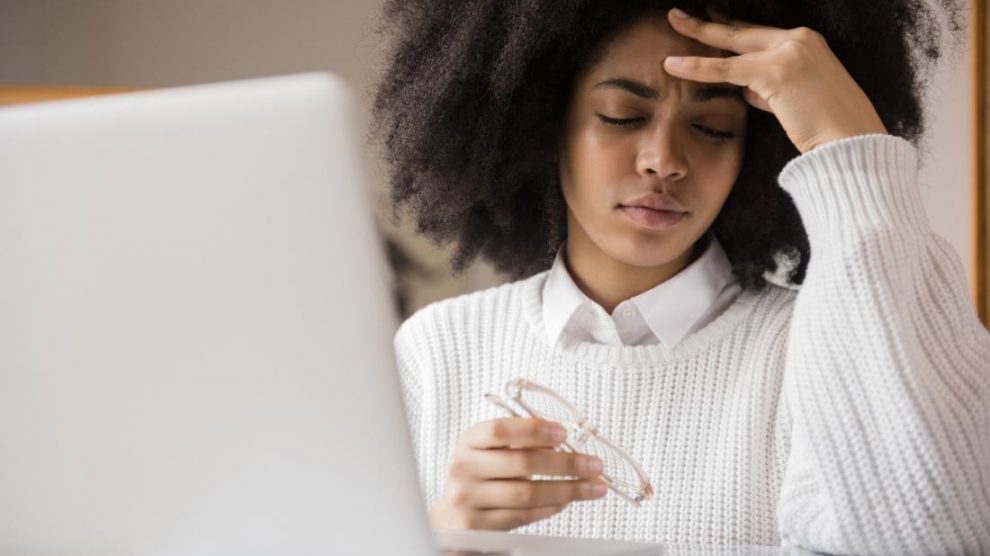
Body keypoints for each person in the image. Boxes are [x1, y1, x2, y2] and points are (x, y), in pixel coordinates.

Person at [371, 1, 990, 553]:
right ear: (541, 125)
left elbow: (938, 532)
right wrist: (440, 538)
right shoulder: (437, 350)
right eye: (620, 115)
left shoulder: (814, 346)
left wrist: (850, 148)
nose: (664, 161)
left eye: (712, 128)